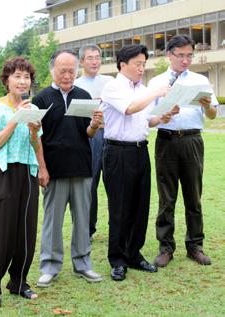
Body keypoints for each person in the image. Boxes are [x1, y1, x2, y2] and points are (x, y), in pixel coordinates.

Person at [101, 44, 178, 281]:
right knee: (120, 208)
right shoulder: (113, 87)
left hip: (140, 151)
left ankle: (134, 254)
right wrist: (155, 93)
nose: (142, 68)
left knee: (139, 206)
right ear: (123, 65)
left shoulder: (142, 89)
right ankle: (117, 260)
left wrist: (162, 117)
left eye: (144, 64)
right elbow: (129, 109)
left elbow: (145, 120)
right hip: (117, 153)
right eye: (138, 64)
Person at [33, 50, 104, 287]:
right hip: (54, 170)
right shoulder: (41, 99)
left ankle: (82, 263)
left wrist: (94, 125)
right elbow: (37, 138)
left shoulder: (84, 95)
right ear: (53, 70)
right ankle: (50, 266)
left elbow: (89, 134)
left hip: (82, 167)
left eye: (71, 71)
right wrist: (42, 168)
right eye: (62, 71)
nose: (67, 75)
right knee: (52, 220)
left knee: (83, 219)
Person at [0, 57, 42, 309]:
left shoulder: (32, 107)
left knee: (25, 231)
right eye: (17, 76)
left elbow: (35, 144)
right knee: (0, 231)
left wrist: (34, 130)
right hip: (2, 173)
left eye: (26, 77)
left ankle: (19, 281)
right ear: (7, 80)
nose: (23, 81)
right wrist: (15, 120)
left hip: (27, 172)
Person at [148, 34, 218, 268]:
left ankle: (195, 246)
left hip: (192, 140)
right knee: (166, 197)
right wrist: (162, 116)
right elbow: (148, 116)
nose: (186, 60)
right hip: (166, 140)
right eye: (181, 56)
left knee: (193, 195)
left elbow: (212, 114)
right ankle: (166, 247)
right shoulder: (157, 82)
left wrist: (208, 107)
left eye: (190, 55)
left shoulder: (200, 80)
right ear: (169, 55)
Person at [75, 44, 113, 240]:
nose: (95, 61)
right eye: (90, 58)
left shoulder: (110, 81)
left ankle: (117, 227)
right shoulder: (76, 85)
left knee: (114, 183)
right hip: (89, 137)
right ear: (81, 61)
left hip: (111, 135)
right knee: (89, 185)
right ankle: (87, 230)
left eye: (97, 57)